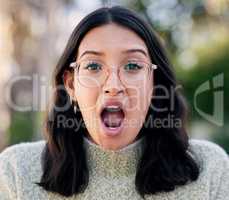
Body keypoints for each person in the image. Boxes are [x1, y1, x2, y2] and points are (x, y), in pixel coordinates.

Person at [0, 6, 228, 200]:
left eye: (132, 66)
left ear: (154, 85)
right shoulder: (15, 173)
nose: (113, 85)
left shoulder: (211, 171)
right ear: (71, 86)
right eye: (93, 66)